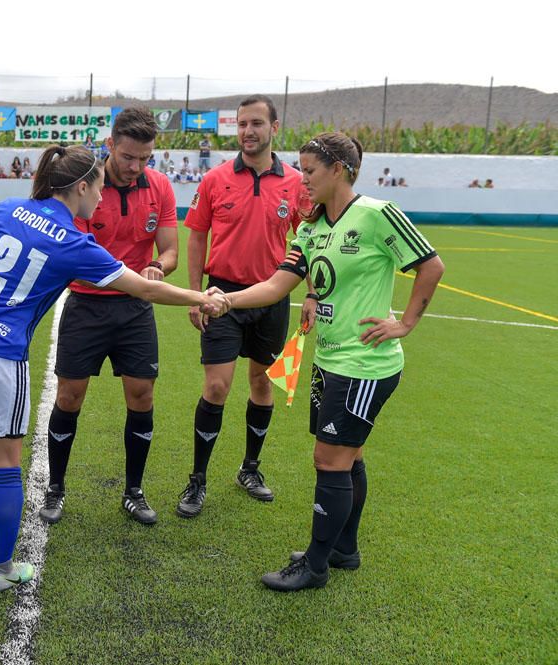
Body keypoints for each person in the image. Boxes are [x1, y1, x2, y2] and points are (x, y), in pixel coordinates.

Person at [0, 144, 228, 590]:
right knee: (5, 462)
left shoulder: (7, 208)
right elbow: (145, 289)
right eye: (98, 188)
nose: (100, 198)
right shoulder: (76, 244)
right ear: (81, 186)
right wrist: (201, 297)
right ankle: (2, 571)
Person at [223, 131, 444, 591]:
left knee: (329, 460)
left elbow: (431, 265)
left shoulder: (377, 214)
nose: (302, 180)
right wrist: (226, 301)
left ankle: (316, 565)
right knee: (347, 455)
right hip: (329, 361)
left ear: (337, 169)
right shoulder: (310, 227)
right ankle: (344, 548)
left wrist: (404, 323)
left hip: (363, 366)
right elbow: (276, 285)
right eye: (301, 170)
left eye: (309, 171)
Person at [39, 107, 178, 526]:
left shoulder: (160, 187)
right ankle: (56, 488)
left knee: (142, 396)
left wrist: (159, 266)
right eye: (129, 157)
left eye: (145, 158)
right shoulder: (84, 186)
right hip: (86, 305)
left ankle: (133, 491)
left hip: (136, 309)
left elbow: (170, 249)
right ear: (111, 145)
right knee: (69, 397)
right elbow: (73, 257)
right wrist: (136, 279)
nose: (137, 166)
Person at [176, 94, 311, 518]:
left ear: (275, 128)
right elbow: (197, 235)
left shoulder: (294, 182)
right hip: (221, 297)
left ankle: (250, 468)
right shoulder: (216, 179)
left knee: (262, 383)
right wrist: (197, 294)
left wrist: (311, 292)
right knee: (216, 387)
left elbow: (310, 241)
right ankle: (197, 479)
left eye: (256, 123)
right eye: (241, 124)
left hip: (273, 296)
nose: (247, 132)